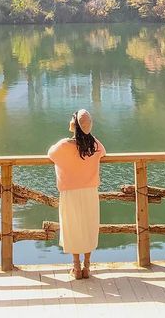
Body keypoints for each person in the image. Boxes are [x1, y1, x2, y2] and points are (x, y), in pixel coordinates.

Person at [47, 109, 106, 280]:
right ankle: (87, 267)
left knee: (72, 226)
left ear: (74, 125)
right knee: (89, 226)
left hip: (70, 192)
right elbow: (103, 152)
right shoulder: (94, 145)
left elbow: (50, 154)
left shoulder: (64, 145)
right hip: (89, 191)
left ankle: (76, 267)